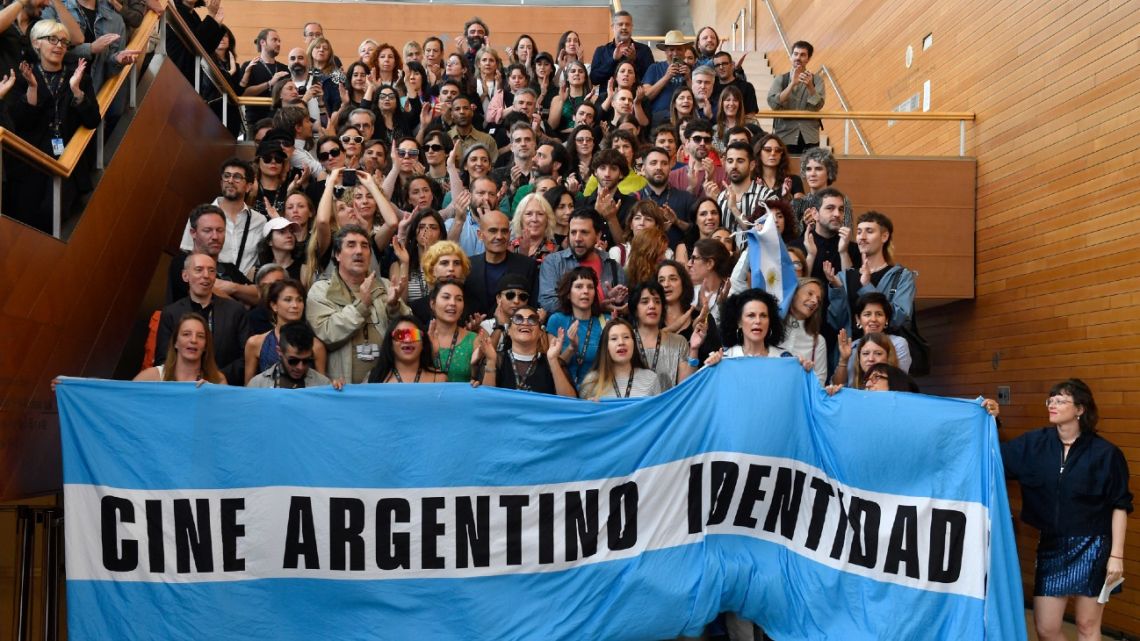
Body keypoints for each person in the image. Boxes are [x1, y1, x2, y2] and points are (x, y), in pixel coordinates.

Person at [1001, 379, 1131, 641]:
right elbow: (993, 457)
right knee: (1046, 629)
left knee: (1086, 625)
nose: (1053, 405)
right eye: (1051, 400)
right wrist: (989, 420)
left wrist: (1116, 556)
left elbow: (1120, 505)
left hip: (1093, 545)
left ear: (1080, 409)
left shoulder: (1106, 454)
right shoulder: (1034, 443)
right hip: (1051, 545)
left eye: (1061, 400)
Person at [8, 19, 100, 231]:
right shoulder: (23, 77)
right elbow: (18, 123)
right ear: (36, 43)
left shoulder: (80, 78)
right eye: (52, 39)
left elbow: (93, 120)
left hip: (67, 159)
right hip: (31, 160)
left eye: (63, 42)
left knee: (53, 214)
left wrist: (76, 91)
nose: (59, 45)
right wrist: (32, 88)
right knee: (27, 218)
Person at [306, 225, 410, 383]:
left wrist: (394, 307)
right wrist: (361, 306)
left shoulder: (385, 287)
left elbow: (409, 334)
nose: (359, 251)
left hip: (386, 386)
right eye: (351, 245)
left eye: (364, 245)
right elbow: (326, 333)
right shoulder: (321, 291)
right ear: (337, 254)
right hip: (341, 389)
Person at [155, 253, 249, 385]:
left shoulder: (235, 311)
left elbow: (246, 356)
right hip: (183, 388)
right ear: (185, 276)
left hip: (224, 387)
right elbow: (163, 359)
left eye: (211, 271)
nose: (206, 275)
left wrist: (216, 377)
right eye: (199, 270)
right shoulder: (171, 313)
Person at [825, 211, 915, 339]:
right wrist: (836, 290)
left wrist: (867, 286)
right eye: (859, 232)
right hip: (849, 354)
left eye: (869, 231)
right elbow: (836, 322)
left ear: (884, 237)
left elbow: (898, 319)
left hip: (883, 353)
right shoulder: (844, 276)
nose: (862, 237)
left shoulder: (901, 276)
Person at [179, 159, 268, 276]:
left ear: (248, 187)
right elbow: (187, 255)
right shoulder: (200, 217)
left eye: (237, 177)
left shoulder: (259, 221)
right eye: (226, 176)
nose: (230, 181)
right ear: (221, 183)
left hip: (243, 290)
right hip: (208, 285)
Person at [538, 209, 627, 314]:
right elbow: (548, 303)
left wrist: (617, 303)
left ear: (598, 236)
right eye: (573, 232)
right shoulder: (554, 262)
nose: (577, 238)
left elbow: (625, 308)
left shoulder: (613, 267)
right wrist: (598, 306)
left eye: (584, 232)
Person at [242, 278, 327, 384]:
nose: (295, 305)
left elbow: (322, 387)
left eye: (299, 300)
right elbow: (248, 387)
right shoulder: (255, 343)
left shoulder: (316, 346)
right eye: (288, 300)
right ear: (274, 305)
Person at [488, 305, 575, 396]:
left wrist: (553, 360)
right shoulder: (495, 360)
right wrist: (490, 362)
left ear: (540, 333)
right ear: (508, 330)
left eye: (532, 319)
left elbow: (571, 402)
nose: (525, 323)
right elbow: (484, 401)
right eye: (518, 319)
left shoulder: (553, 362)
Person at [545, 266, 610, 388]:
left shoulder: (606, 321)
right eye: (579, 286)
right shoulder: (556, 320)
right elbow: (554, 365)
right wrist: (571, 348)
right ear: (568, 294)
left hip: (596, 394)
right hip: (563, 392)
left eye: (590, 287)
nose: (585, 291)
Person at [629, 281, 699, 390]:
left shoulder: (679, 342)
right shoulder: (625, 340)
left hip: (670, 406)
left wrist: (694, 349)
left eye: (657, 301)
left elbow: (686, 388)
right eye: (645, 302)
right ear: (635, 309)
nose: (652, 306)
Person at [834, 292, 911, 383]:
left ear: (886, 320)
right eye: (867, 314)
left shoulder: (898, 344)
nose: (873, 319)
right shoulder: (851, 346)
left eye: (879, 314)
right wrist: (844, 359)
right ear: (858, 319)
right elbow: (837, 385)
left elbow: (900, 382)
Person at [578, 318, 662, 400]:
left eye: (626, 337)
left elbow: (659, 412)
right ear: (606, 346)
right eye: (614, 339)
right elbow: (581, 412)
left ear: (634, 343)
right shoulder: (591, 382)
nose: (621, 342)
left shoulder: (651, 378)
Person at [766, 40, 825, 154]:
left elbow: (818, 106)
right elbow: (773, 103)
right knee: (786, 170)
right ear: (791, 57)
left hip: (809, 135)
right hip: (785, 134)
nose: (798, 57)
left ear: (808, 59)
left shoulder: (817, 80)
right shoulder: (781, 79)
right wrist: (791, 84)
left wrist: (810, 87)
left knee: (809, 169)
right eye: (796, 54)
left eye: (803, 55)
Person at [135, 312, 226, 383]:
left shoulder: (218, 381)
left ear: (206, 345)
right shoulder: (150, 377)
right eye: (186, 334)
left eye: (200, 336)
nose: (194, 340)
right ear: (175, 342)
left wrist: (211, 394)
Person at [247, 321, 338, 389]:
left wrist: (339, 390)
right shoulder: (258, 384)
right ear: (279, 351)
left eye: (306, 361)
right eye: (293, 361)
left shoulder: (323, 384)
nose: (300, 367)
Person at [639, 146, 695, 249]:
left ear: (670, 168)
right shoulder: (635, 198)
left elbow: (697, 232)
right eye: (653, 163)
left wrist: (677, 222)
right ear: (643, 168)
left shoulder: (686, 198)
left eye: (664, 163)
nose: (659, 167)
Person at [589, 10, 653, 99]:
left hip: (636, 101)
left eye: (627, 24)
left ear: (632, 27)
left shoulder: (644, 50)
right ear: (613, 27)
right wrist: (613, 60)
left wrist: (633, 61)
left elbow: (650, 80)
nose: (624, 27)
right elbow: (594, 79)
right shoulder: (601, 51)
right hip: (607, 102)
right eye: (620, 24)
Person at [367, 315, 447, 383]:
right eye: (400, 335)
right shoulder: (377, 378)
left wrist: (434, 353)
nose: (407, 340)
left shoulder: (439, 378)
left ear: (423, 343)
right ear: (390, 344)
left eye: (414, 334)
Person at [778, 278, 828, 385]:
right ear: (794, 293)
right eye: (810, 294)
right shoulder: (771, 327)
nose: (814, 301)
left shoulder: (818, 341)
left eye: (818, 300)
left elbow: (819, 383)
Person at [721, 288, 795, 359]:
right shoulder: (725, 357)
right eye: (751, 315)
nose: (758, 321)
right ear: (739, 322)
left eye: (763, 316)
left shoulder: (784, 358)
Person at [426, 279, 476, 382]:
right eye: (446, 297)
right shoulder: (420, 338)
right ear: (433, 304)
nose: (453, 303)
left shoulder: (474, 340)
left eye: (459, 299)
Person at [239, 28, 289, 131]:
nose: (278, 43)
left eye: (279, 41)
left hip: (279, 121)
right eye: (274, 40)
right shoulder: (250, 66)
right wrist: (270, 83)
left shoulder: (284, 68)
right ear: (262, 42)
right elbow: (243, 93)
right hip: (255, 122)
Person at [717, 142, 774, 233]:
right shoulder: (720, 198)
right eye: (730, 161)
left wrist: (734, 209)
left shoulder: (767, 196)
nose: (734, 166)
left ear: (751, 165)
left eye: (740, 161)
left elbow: (764, 233)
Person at [641, 30, 693, 125]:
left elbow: (698, 97)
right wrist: (666, 77)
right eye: (671, 49)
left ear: (685, 50)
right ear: (665, 51)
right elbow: (646, 96)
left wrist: (688, 79)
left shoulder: (691, 69)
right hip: (658, 121)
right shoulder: (654, 68)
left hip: (685, 121)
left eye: (679, 49)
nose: (675, 53)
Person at [510, 193, 559, 265]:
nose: (534, 219)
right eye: (529, 214)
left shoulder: (556, 253)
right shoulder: (509, 248)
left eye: (540, 214)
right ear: (520, 219)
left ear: (547, 219)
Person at [755, 133, 805, 201]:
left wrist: (787, 197)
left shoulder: (793, 180)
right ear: (759, 153)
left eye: (778, 150)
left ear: (782, 155)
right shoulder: (751, 181)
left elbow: (801, 209)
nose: (773, 153)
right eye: (768, 150)